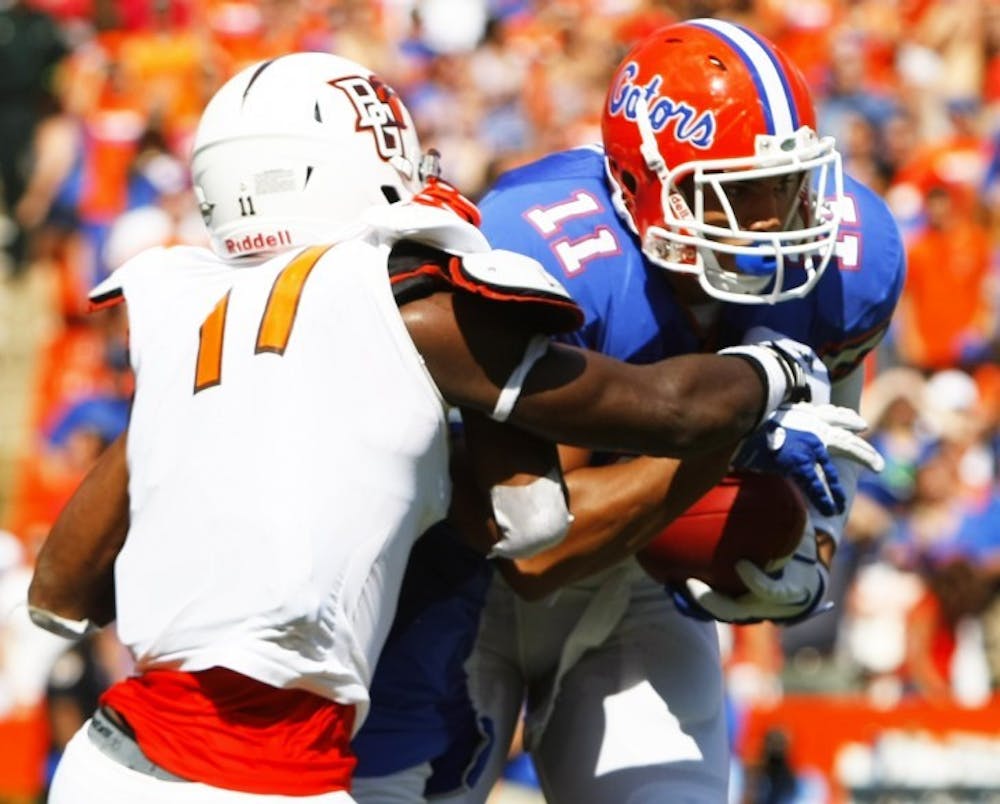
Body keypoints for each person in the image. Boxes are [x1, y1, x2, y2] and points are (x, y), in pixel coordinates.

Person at [25, 51, 849, 803]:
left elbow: (60, 592)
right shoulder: (414, 311)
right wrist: (777, 374)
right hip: (263, 775)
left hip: (111, 758)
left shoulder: (184, 304)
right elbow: (560, 500)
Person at [350, 19, 904, 804]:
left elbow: (836, 403)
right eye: (738, 193)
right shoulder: (548, 248)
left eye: (784, 187)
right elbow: (536, 550)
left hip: (636, 589)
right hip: (465, 584)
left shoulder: (850, 256)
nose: (776, 223)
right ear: (644, 185)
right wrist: (724, 433)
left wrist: (812, 542)